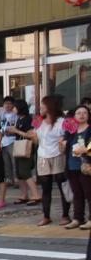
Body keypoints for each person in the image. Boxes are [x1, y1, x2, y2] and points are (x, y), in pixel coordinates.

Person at [31, 95, 71, 226]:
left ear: (50, 106)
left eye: (43, 105)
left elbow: (75, 135)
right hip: (42, 156)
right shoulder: (37, 120)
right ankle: (46, 216)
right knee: (45, 188)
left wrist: (64, 142)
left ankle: (66, 215)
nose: (40, 107)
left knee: (62, 186)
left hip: (58, 156)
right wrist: (32, 137)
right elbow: (36, 140)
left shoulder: (63, 121)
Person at [7, 99, 40, 206]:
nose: (13, 108)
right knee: (20, 173)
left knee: (25, 172)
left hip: (26, 148)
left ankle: (36, 195)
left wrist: (16, 131)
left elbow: (31, 135)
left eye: (15, 107)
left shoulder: (28, 119)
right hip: (19, 147)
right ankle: (24, 194)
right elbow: (19, 133)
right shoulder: (19, 119)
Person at [63, 105, 91, 229]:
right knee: (77, 193)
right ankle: (77, 218)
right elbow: (64, 148)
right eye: (78, 113)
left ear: (88, 115)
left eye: (84, 112)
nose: (81, 115)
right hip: (72, 166)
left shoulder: (90, 129)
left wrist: (87, 149)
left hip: (86, 166)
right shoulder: (71, 132)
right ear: (74, 116)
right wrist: (62, 144)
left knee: (89, 193)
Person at [0, 96, 18, 186]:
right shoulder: (0, 115)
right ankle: (9, 179)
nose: (7, 105)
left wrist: (9, 130)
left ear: (13, 105)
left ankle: (17, 179)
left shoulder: (16, 115)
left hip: (13, 141)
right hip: (3, 142)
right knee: (6, 162)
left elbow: (16, 128)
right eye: (6, 103)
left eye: (9, 103)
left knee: (14, 161)